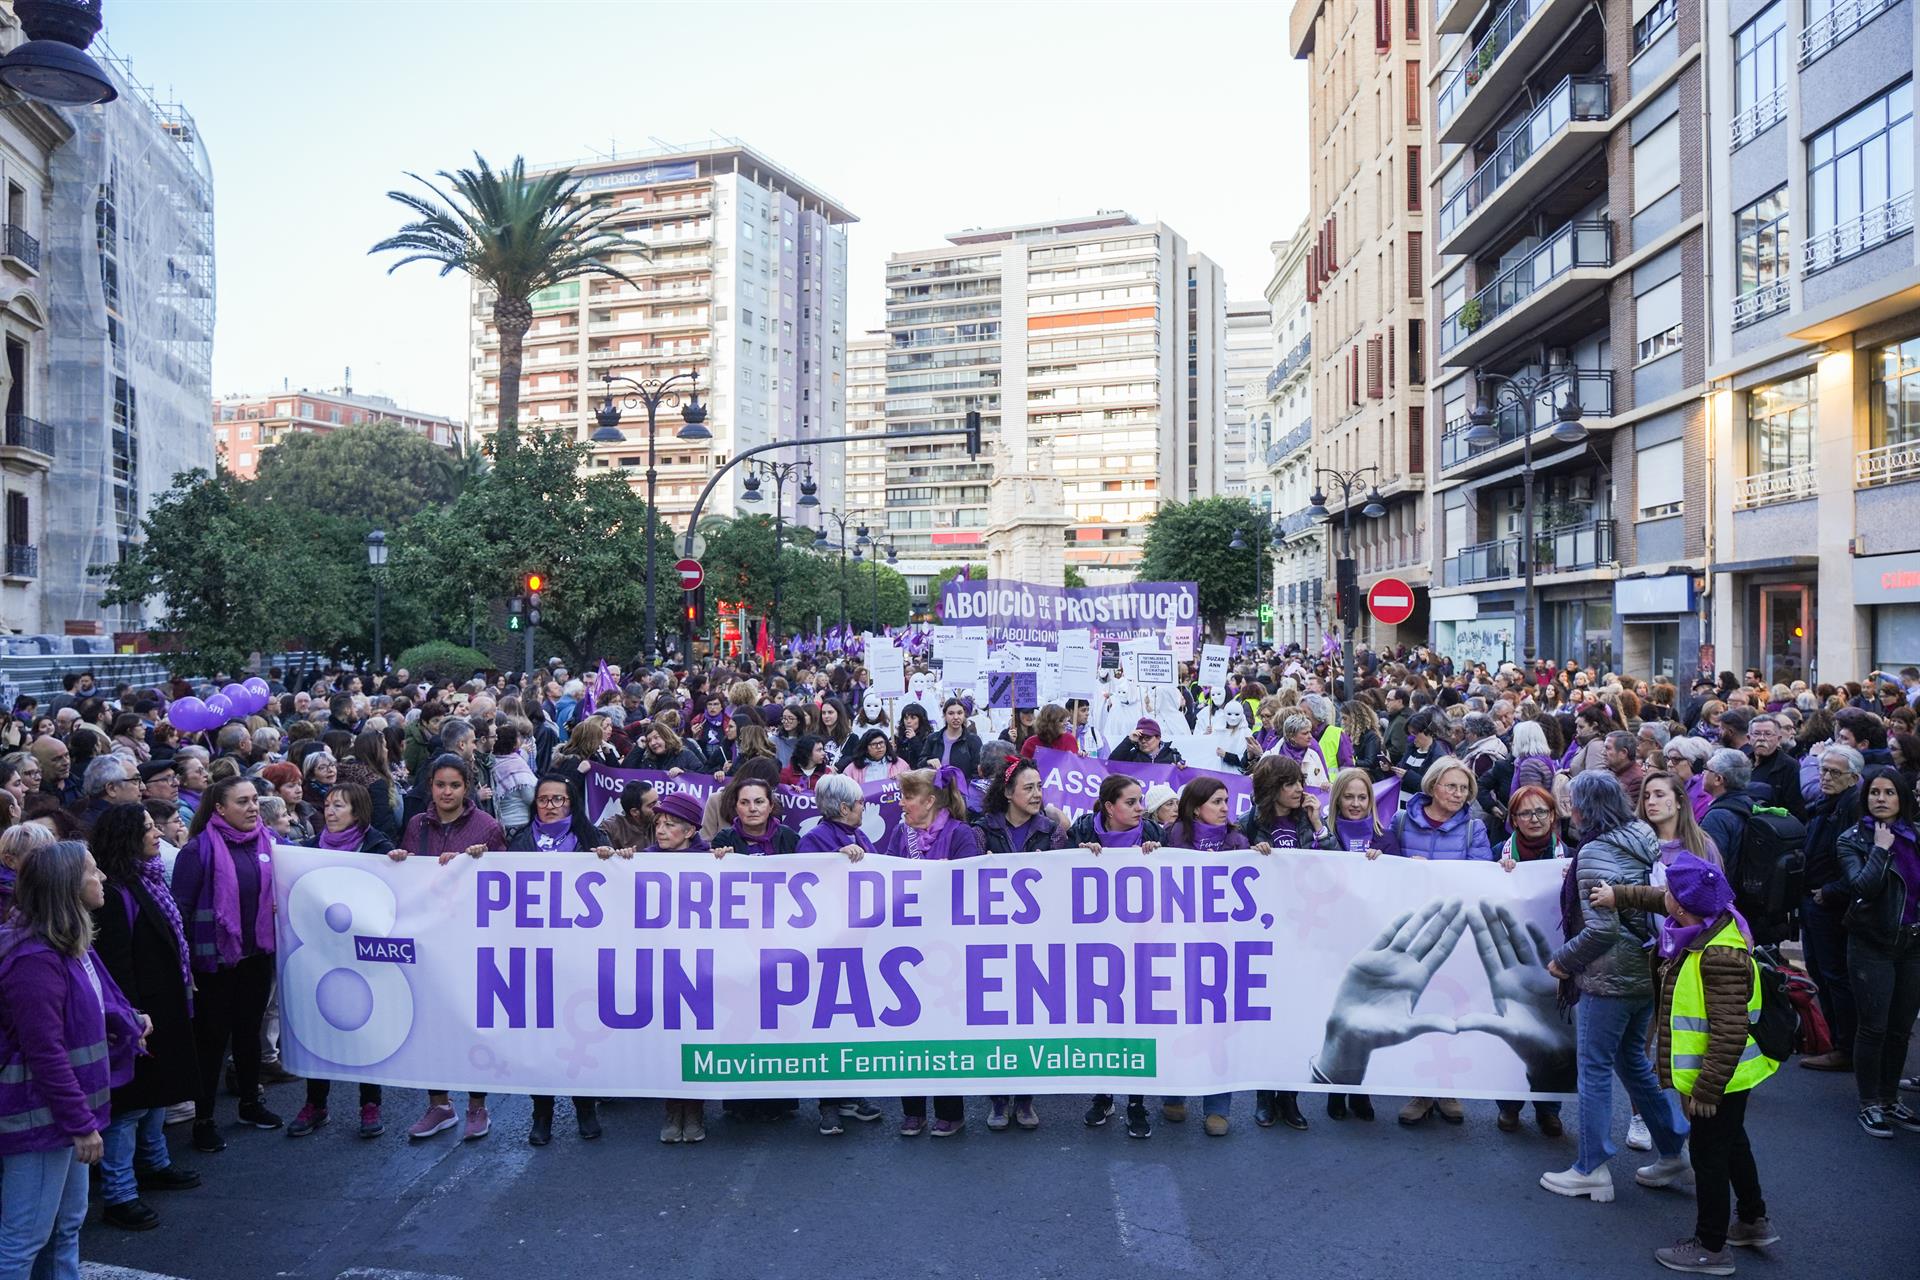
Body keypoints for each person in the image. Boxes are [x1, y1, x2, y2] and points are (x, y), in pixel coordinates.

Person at [1591, 855, 1781, 1273]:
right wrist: (1617, 895)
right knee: (1732, 1143)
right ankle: (1752, 1220)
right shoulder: (1710, 917)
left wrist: (1707, 1090)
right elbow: (1658, 899)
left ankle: (1710, 1247)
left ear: (1684, 904)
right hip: (1731, 1074)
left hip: (1719, 1077)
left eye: (1672, 892)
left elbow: (1729, 1031)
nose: (1666, 896)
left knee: (1709, 1154)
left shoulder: (1719, 956)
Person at [1539, 770, 1690, 1204]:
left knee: (1596, 1068)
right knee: (1632, 1061)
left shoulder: (1594, 853)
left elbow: (1601, 930)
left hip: (1609, 975)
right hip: (1647, 966)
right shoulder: (1642, 834)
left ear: (1585, 808)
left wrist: (1563, 962)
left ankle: (1590, 1167)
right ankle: (1673, 1148)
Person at [0, 841, 147, 1276]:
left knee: (65, 1228)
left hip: (61, 1115)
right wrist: (81, 1125)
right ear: (67, 886)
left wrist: (129, 1019)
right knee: (24, 1240)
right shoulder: (34, 959)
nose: (101, 878)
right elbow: (45, 1052)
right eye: (92, 871)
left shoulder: (65, 944)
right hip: (42, 1118)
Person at [88, 806, 200, 1230]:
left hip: (165, 1005)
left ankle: (155, 1164)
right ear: (126, 837)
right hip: (139, 1014)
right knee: (131, 1107)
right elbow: (117, 962)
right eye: (148, 828)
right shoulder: (115, 893)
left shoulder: (147, 877)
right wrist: (131, 1018)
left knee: (157, 1096)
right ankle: (120, 1195)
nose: (158, 834)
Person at [169, 775, 283, 1153]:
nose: (253, 808)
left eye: (254, 800)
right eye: (242, 802)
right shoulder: (198, 850)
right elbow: (180, 911)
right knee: (211, 1041)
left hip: (256, 957)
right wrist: (185, 967)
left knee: (248, 1032)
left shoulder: (271, 842)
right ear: (219, 808)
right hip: (213, 963)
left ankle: (250, 1104)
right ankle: (203, 1120)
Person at [399, 755, 506, 1142]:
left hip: (471, 939)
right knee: (432, 1024)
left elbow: (503, 884)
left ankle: (477, 1105)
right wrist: (400, 862)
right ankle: (439, 1104)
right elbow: (409, 880)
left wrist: (477, 862)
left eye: (455, 786)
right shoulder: (416, 825)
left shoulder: (488, 827)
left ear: (468, 788)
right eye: (440, 785)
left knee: (471, 1023)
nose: (447, 792)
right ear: (430, 786)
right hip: (430, 939)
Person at [879, 767, 983, 1136]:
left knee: (945, 1026)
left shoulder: (960, 834)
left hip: (948, 944)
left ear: (930, 801)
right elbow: (886, 875)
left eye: (908, 797)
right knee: (907, 1027)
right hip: (906, 944)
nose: (901, 803)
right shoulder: (899, 832)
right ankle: (912, 1109)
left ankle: (950, 1110)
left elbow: (969, 882)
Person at [1058, 774, 1163, 1139]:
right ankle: (1103, 1094)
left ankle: (1137, 1101)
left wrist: (1157, 856)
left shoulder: (1153, 834)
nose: (1140, 808)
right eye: (1131, 802)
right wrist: (1078, 856)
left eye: (1141, 801)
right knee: (1101, 1019)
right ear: (1109, 807)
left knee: (1137, 1022)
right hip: (1096, 944)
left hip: (1140, 943)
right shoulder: (1082, 833)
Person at [507, 776, 611, 1145]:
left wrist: (613, 860)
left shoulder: (592, 839)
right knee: (540, 1036)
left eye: (558, 800)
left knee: (579, 1029)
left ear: (572, 803)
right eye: (544, 799)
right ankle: (542, 1112)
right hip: (533, 951)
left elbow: (617, 889)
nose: (550, 806)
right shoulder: (518, 841)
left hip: (579, 952)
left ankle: (585, 1106)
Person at [289, 783, 394, 1139]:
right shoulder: (306, 851)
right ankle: (316, 1103)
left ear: (358, 813)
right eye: (329, 805)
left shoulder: (378, 847)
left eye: (340, 806)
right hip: (320, 954)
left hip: (362, 956)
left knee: (366, 1026)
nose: (330, 812)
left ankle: (370, 1103)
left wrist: (398, 865)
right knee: (319, 1026)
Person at [791, 774, 888, 1138]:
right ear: (845, 808)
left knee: (853, 1023)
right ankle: (828, 1105)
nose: (864, 807)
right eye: (860, 803)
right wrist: (833, 861)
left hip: (857, 943)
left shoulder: (859, 836)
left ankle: (850, 1094)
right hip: (826, 948)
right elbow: (802, 883)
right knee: (828, 1026)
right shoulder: (816, 840)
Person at [1835, 765, 1920, 1139]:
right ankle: (1869, 1103)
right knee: (1874, 1027)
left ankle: (1889, 1098)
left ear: (1902, 798)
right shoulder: (1853, 839)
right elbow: (1863, 887)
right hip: (1872, 944)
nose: (1881, 799)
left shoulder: (1916, 836)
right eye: (1874, 793)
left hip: (1913, 944)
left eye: (1888, 793)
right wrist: (1881, 851)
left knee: (1901, 1029)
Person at [1796, 744, 1864, 1073]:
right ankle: (1836, 1039)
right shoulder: (1828, 804)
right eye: (1823, 770)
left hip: (1830, 903)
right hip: (1815, 900)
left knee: (1835, 974)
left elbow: (1854, 861)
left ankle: (1845, 1046)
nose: (1825, 777)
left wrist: (1831, 892)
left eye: (1834, 772)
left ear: (1854, 777)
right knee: (1821, 970)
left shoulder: (1853, 806)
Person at [1390, 757, 1494, 863]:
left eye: (1464, 788)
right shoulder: (1401, 820)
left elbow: (1477, 874)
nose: (1458, 794)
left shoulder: (1474, 829)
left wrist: (1431, 870)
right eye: (1451, 786)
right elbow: (1389, 866)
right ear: (1432, 787)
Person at [974, 757, 1060, 855]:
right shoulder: (983, 831)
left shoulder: (1053, 832)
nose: (1037, 794)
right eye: (1029, 788)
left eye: (1039, 787)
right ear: (1008, 792)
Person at [1698, 749, 1755, 882]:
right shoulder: (1749, 804)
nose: (1702, 773)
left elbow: (1710, 867)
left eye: (1706, 769)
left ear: (1718, 779)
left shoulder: (1717, 817)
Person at [710, 776, 802, 857]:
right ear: (736, 808)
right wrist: (725, 860)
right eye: (744, 803)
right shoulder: (723, 840)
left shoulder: (789, 837)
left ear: (771, 806)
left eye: (759, 802)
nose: (752, 808)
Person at [1662, 736, 1715, 821]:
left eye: (1676, 759)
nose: (1669, 764)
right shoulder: (1671, 787)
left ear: (1696, 764)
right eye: (1667, 759)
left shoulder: (1704, 794)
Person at [931, 698, 982, 776]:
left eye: (959, 713)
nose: (956, 717)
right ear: (944, 715)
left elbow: (977, 772)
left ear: (964, 715)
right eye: (951, 713)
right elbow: (921, 763)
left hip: (964, 787)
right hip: (936, 787)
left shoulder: (974, 741)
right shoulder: (933, 739)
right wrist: (929, 761)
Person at [1109, 717, 1183, 767]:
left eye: (1148, 737)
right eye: (1140, 738)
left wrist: (1181, 768)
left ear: (1158, 738)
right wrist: (1129, 741)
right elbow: (1110, 764)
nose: (1143, 741)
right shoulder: (1132, 756)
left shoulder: (1173, 756)